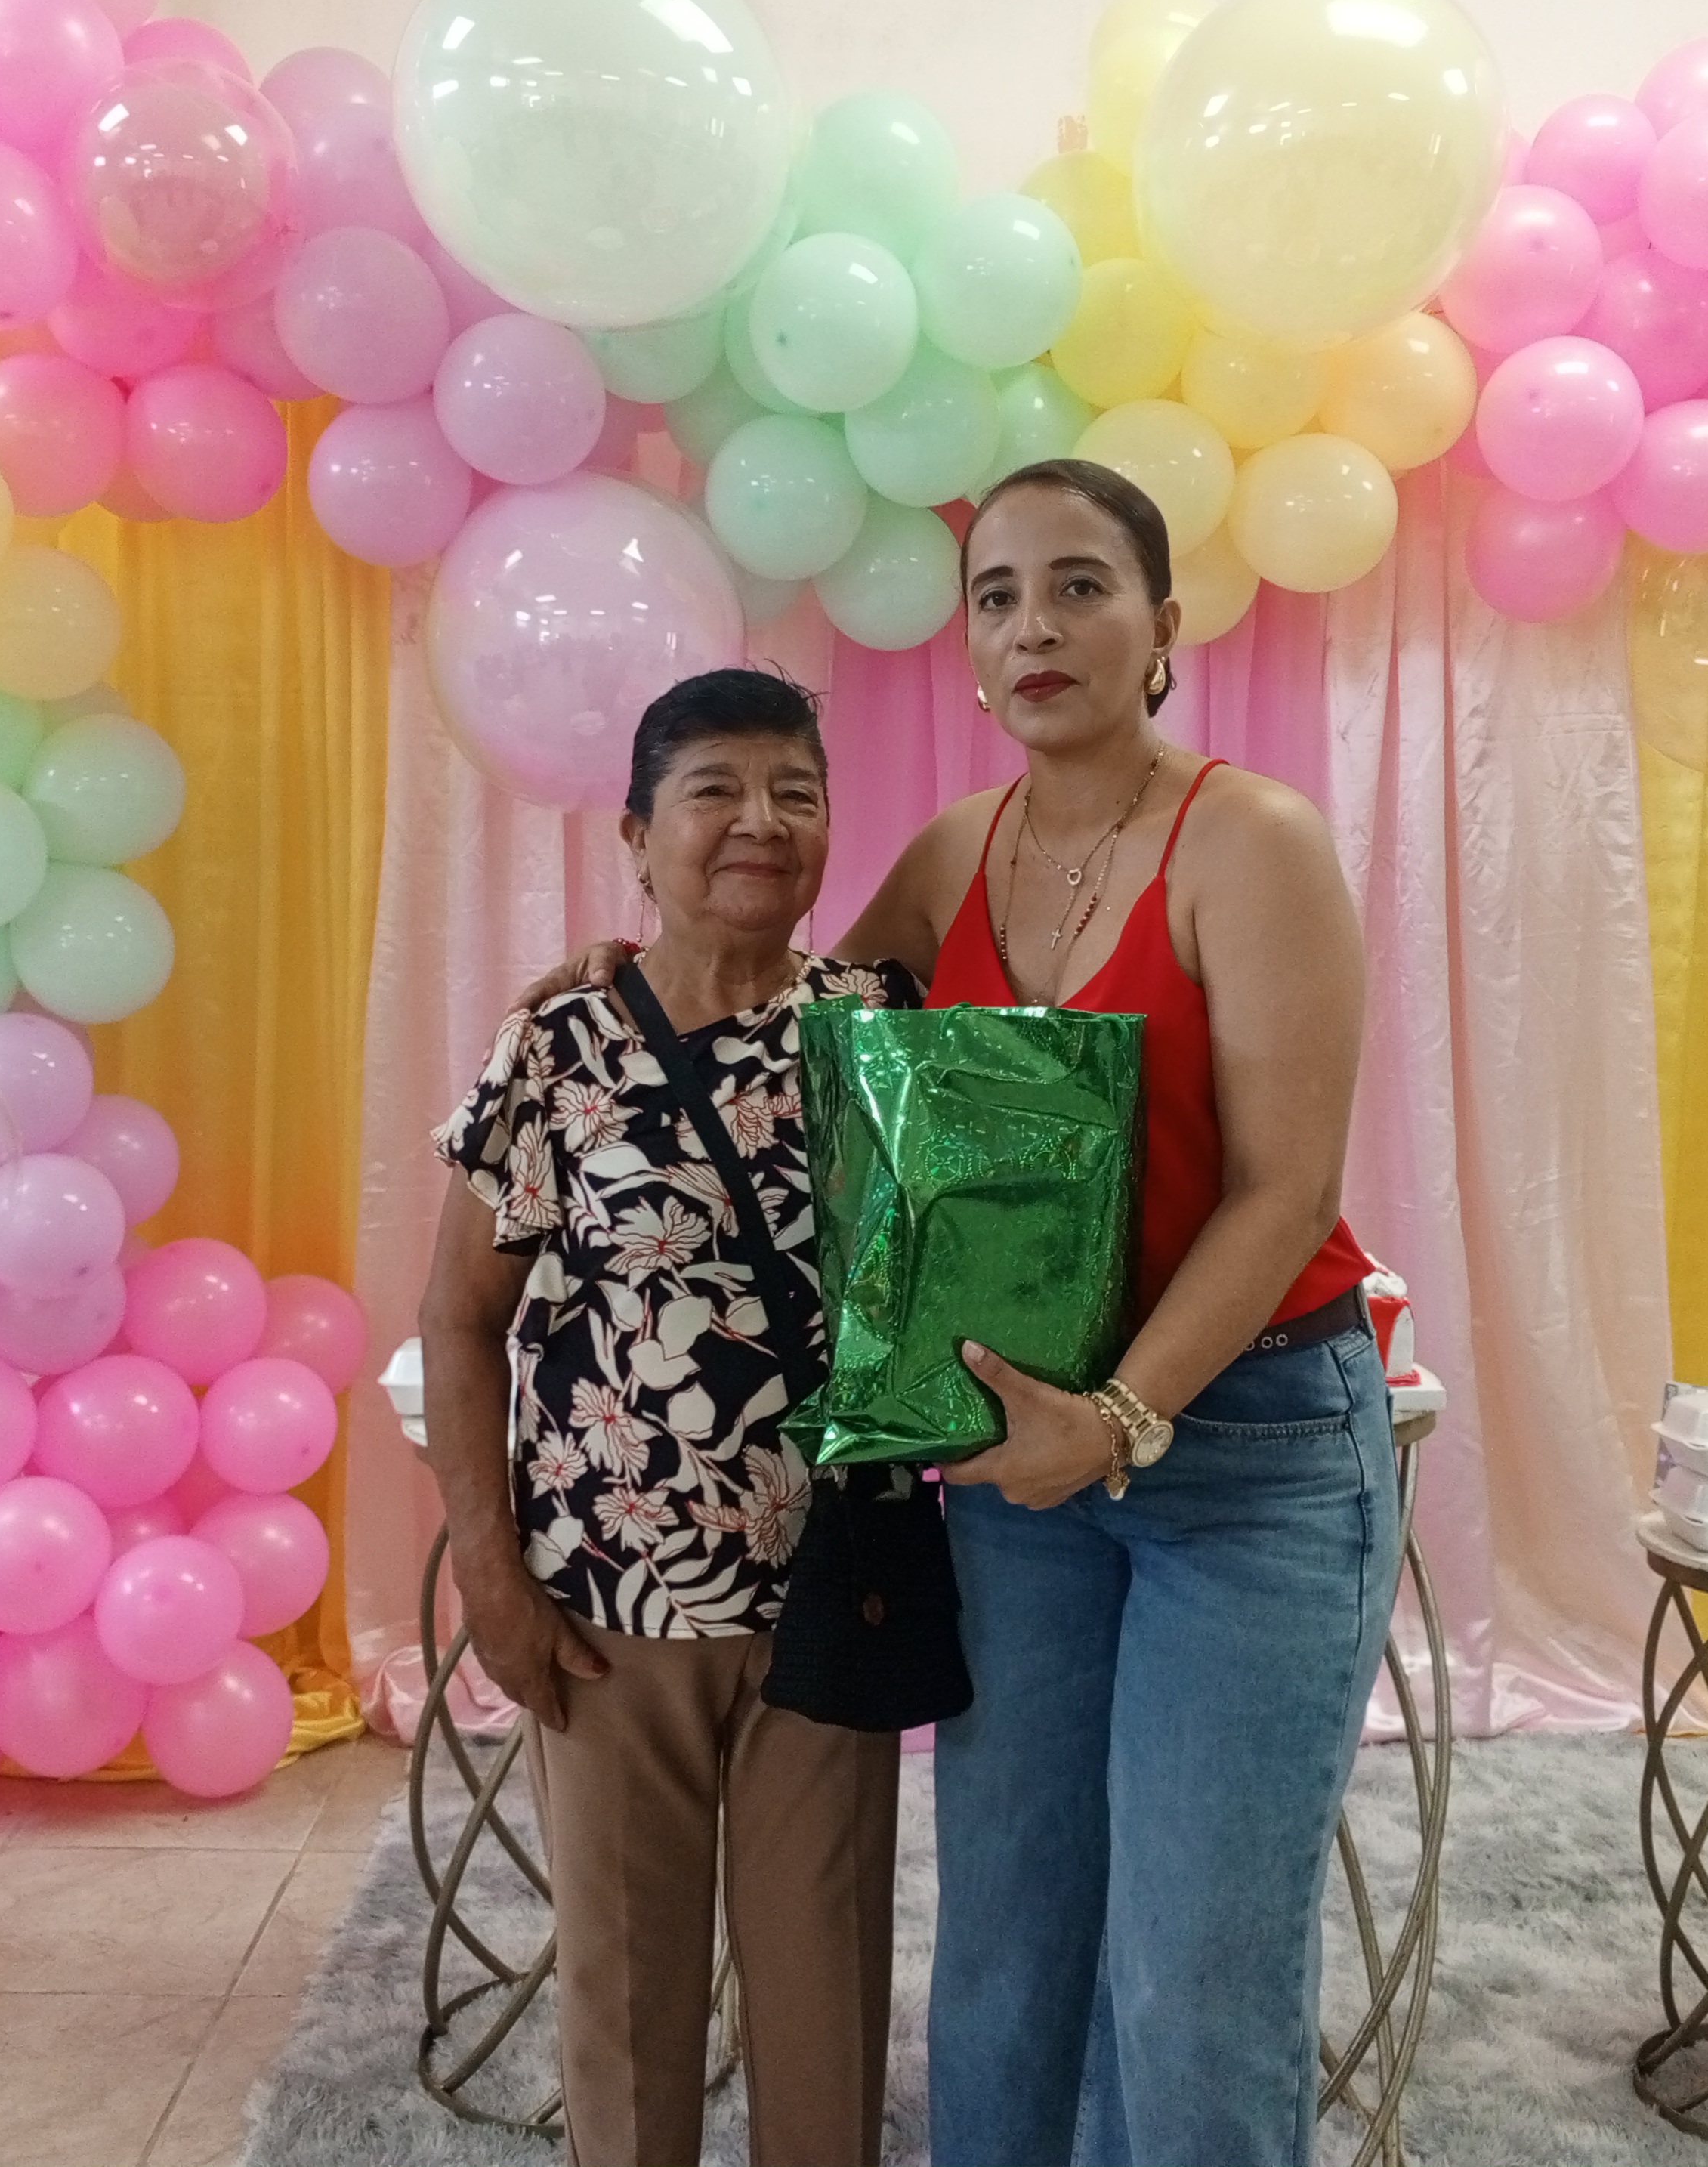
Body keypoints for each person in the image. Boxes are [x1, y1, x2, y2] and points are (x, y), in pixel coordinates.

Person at [533, 459, 1392, 2167]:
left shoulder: (1254, 842)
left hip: (1247, 1458)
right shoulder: (954, 854)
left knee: (1190, 1982)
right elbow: (785, 1031)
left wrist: (1121, 1420)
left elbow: (1285, 1194)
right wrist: (631, 977)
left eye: (1079, 586)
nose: (1032, 627)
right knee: (1003, 1947)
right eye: (996, 596)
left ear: (1163, 624)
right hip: (1018, 1467)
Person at [416, 667, 916, 2167]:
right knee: (627, 1996)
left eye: (795, 792)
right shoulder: (557, 1047)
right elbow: (459, 1318)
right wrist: (488, 1572)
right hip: (608, 1601)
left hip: (834, 1590)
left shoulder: (885, 1031)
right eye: (715, 791)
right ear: (637, 835)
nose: (760, 821)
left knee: (824, 1988)